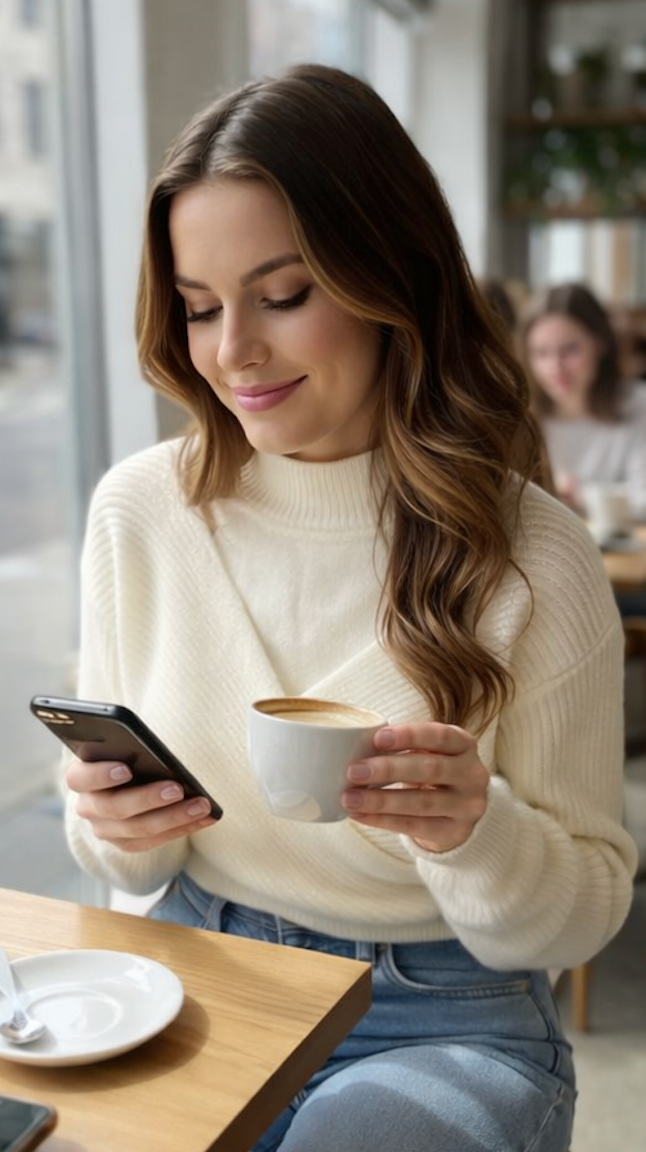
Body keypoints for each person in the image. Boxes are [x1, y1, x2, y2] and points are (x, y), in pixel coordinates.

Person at [63, 64, 637, 1152]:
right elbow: (125, 861)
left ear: (390, 280)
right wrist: (112, 821)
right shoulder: (137, 512)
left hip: (436, 1010)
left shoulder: (534, 556)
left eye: (284, 296)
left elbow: (589, 906)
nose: (232, 351)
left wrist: (476, 833)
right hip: (194, 971)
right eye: (197, 308)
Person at [520, 280, 646, 521]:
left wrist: (582, 495)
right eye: (541, 353)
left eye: (569, 350)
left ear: (600, 344)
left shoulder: (639, 405)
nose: (555, 368)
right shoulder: (522, 415)